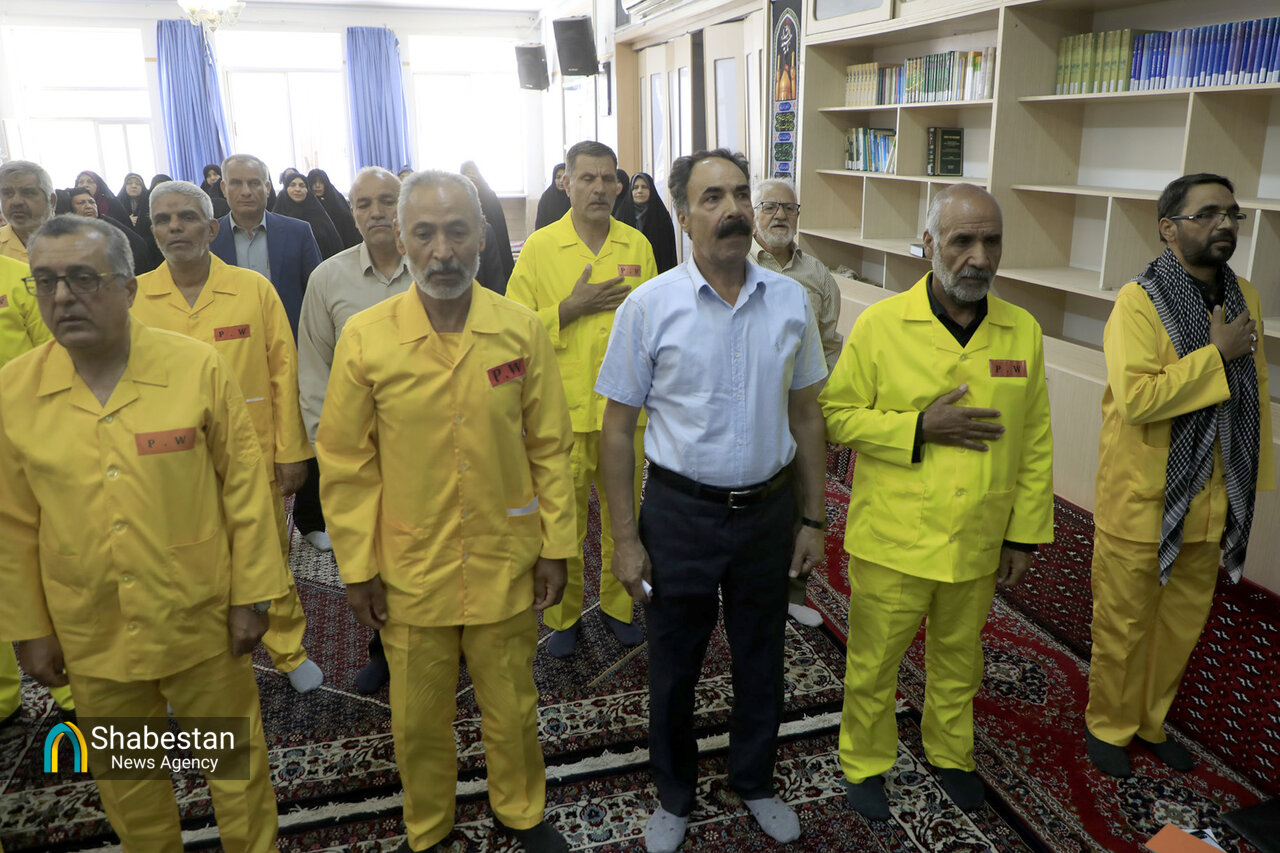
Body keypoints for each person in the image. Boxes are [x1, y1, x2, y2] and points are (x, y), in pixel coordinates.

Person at [0, 214, 288, 850]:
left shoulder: (195, 367)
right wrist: (30, 628)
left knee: (231, 767)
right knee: (130, 778)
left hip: (201, 619)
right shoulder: (14, 392)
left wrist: (253, 596)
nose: (62, 297)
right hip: (93, 630)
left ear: (128, 289)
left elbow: (245, 490)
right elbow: (12, 525)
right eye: (45, 282)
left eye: (83, 278)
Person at [317, 170, 576, 853]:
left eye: (457, 232)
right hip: (410, 565)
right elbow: (345, 462)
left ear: (482, 237)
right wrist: (357, 565)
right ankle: (429, 825)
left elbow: (550, 446)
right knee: (417, 716)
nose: (442, 252)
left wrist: (557, 546)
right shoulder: (367, 338)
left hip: (504, 556)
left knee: (512, 704)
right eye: (425, 234)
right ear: (401, 239)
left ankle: (521, 810)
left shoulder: (519, 329)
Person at [595, 149, 827, 852]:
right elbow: (617, 430)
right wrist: (625, 539)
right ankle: (674, 793)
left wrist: (814, 517)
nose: (732, 210)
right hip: (679, 515)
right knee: (675, 665)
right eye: (712, 198)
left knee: (762, 657)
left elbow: (807, 416)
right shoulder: (649, 306)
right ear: (683, 215)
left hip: (768, 514)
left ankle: (754, 779)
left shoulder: (789, 301)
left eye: (740, 195)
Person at [820, 183, 1054, 820]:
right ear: (928, 244)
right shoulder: (882, 325)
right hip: (895, 536)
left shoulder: (1022, 331)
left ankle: (951, 753)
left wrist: (1023, 534)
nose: (979, 257)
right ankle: (865, 760)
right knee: (874, 663)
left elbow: (1034, 439)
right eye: (962, 241)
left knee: (960, 658)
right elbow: (836, 415)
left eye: (991, 241)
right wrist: (919, 427)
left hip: (978, 533)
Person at [1084, 173, 1273, 779]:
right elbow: (1139, 398)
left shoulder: (1244, 296)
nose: (1224, 224)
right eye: (1207, 214)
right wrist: (1215, 355)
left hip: (1213, 500)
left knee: (1182, 623)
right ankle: (1108, 725)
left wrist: (1248, 485)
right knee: (1124, 623)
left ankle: (1150, 721)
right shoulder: (1139, 301)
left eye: (1233, 214)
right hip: (1146, 498)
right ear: (1168, 229)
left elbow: (1255, 390)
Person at [134, 179, 323, 695]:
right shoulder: (134, 297)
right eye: (163, 219)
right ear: (152, 231)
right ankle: (188, 654)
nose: (176, 227)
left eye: (187, 217)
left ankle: (289, 650)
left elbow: (284, 371)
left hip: (251, 454)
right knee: (175, 559)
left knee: (266, 554)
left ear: (212, 228)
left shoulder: (252, 289)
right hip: (167, 460)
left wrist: (292, 451)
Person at [507, 141, 657, 658]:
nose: (599, 188)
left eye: (608, 178)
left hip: (624, 413)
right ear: (566, 183)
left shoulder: (637, 246)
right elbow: (511, 332)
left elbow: (656, 326)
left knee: (624, 519)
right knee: (563, 522)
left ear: (619, 186)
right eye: (587, 178)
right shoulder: (540, 248)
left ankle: (618, 606)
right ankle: (563, 615)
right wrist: (568, 309)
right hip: (561, 415)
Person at [297, 165, 413, 692]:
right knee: (373, 555)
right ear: (352, 211)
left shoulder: (433, 267)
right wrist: (329, 446)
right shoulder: (328, 279)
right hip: (361, 451)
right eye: (364, 203)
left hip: (431, 445)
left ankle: (456, 641)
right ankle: (385, 651)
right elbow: (313, 370)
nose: (376, 212)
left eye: (387, 200)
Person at [749, 177, 843, 629]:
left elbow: (829, 344)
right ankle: (743, 587)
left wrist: (824, 402)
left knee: (804, 498)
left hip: (802, 407)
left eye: (788, 207)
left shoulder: (818, 275)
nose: (780, 215)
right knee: (755, 501)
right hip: (751, 406)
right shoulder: (737, 263)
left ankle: (792, 593)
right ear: (753, 215)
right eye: (769, 206)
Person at [0, 251, 77, 727]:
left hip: (26, 439)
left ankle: (72, 689)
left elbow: (56, 361)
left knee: (45, 551)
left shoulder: (18, 279)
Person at [210, 153, 322, 337]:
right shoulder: (209, 238)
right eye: (236, 183)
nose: (246, 191)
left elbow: (317, 295)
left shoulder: (298, 233)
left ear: (267, 188)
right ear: (224, 188)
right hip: (230, 345)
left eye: (254, 183)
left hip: (290, 340)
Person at [69, 186, 156, 274]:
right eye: (81, 203)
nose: (88, 206)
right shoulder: (69, 231)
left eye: (92, 202)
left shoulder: (108, 225)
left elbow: (138, 246)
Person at [460, 160, 515, 282]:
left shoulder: (489, 196)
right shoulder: (457, 198)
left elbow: (500, 230)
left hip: (491, 248)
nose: (471, 177)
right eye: (467, 174)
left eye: (473, 173)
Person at [273, 174, 344, 260]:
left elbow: (333, 243)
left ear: (307, 189)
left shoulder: (318, 214)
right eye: (292, 185)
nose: (297, 189)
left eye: (302, 185)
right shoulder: (277, 216)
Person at [0, 161, 58, 263]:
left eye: (27, 193)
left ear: (51, 201)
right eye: (7, 193)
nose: (16, 202)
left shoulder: (76, 241)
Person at [629, 172, 677, 273]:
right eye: (635, 187)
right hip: (628, 273)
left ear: (651, 190)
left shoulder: (662, 217)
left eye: (644, 187)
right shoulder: (622, 215)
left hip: (657, 272)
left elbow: (668, 253)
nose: (639, 191)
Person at [307, 169, 361, 248]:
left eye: (321, 182)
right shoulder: (307, 204)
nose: (317, 185)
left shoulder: (336, 199)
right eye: (314, 182)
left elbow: (348, 224)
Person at [534, 162, 570, 230]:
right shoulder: (546, 197)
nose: (561, 181)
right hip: (549, 234)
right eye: (558, 177)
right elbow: (540, 224)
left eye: (564, 177)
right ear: (554, 179)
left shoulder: (573, 196)